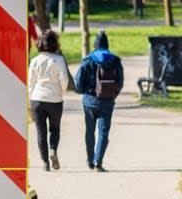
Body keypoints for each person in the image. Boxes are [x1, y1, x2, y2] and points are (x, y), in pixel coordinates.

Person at [73, 31, 124, 172]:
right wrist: (112, 95)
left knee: (89, 131)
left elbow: (78, 82)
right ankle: (98, 162)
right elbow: (120, 83)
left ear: (95, 45)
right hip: (107, 102)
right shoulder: (115, 61)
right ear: (107, 44)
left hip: (89, 101)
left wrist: (83, 92)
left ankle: (90, 160)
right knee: (103, 132)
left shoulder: (88, 60)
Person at [26, 30, 70, 171]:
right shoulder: (58, 60)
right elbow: (64, 80)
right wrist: (61, 92)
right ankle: (53, 150)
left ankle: (45, 162)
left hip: (37, 99)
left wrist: (30, 99)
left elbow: (30, 83)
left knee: (41, 132)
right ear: (55, 44)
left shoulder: (34, 61)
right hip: (55, 99)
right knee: (55, 129)